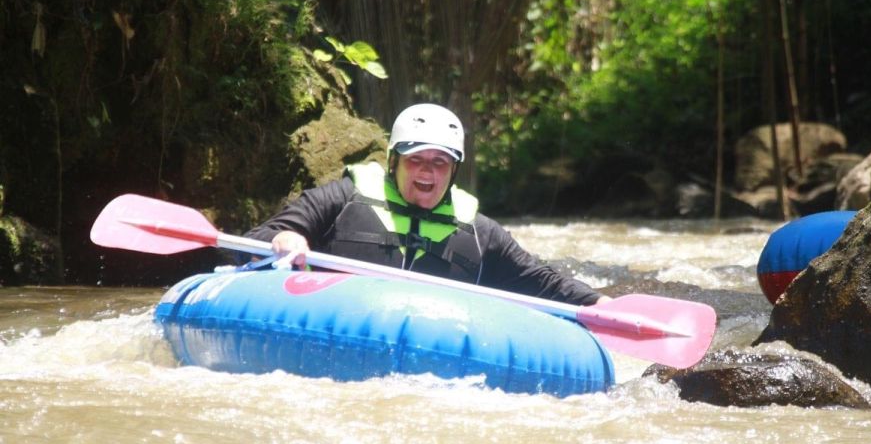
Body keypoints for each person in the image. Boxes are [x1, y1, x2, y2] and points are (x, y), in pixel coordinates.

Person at [245, 103, 605, 305]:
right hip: (335, 324)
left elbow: (542, 282)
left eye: (440, 163)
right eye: (415, 159)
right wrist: (285, 238)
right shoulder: (342, 198)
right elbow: (260, 237)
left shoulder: (481, 234)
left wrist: (601, 304)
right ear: (393, 162)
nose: (427, 172)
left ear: (453, 170)